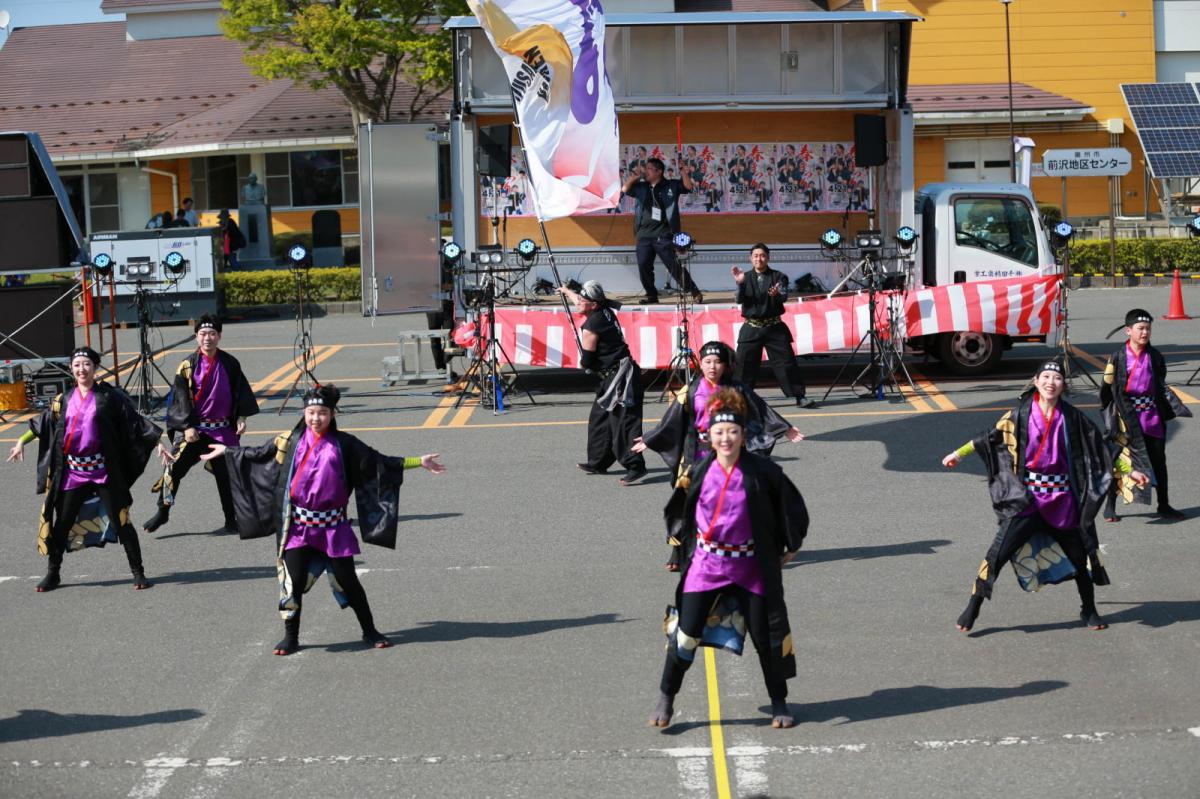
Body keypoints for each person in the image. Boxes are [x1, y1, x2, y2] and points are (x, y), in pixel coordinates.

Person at [200, 385, 445, 655]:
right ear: (304, 413)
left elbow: (380, 462)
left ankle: (370, 630)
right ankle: (291, 637)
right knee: (291, 583)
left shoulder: (346, 444)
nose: (316, 418)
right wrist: (227, 452)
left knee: (349, 581)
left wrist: (416, 462)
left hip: (333, 528)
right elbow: (258, 454)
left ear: (332, 414)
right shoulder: (289, 441)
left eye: (322, 413)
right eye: (311, 412)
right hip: (298, 528)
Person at [942, 360, 1147, 632]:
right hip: (1027, 502)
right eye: (1046, 377)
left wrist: (1129, 471)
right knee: (996, 555)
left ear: (1063, 385)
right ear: (1036, 381)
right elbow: (987, 438)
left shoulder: (1073, 418)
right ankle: (974, 605)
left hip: (1063, 502)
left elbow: (1100, 449)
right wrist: (957, 454)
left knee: (1081, 557)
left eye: (1057, 378)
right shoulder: (1019, 414)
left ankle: (1089, 609)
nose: (1051, 382)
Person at [650, 388, 808, 730]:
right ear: (709, 435)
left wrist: (791, 544)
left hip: (750, 566)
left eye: (733, 431)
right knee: (685, 634)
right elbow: (679, 512)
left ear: (744, 435)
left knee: (765, 637)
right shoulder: (698, 471)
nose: (726, 438)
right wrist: (681, 548)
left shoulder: (763, 472)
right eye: (719, 432)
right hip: (706, 566)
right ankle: (666, 696)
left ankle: (779, 700)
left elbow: (791, 507)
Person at [633, 340, 804, 571]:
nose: (712, 366)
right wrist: (650, 439)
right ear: (700, 364)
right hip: (699, 455)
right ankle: (679, 551)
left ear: (725, 365)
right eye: (707, 362)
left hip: (730, 455)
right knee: (688, 504)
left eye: (717, 362)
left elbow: (760, 409)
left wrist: (784, 428)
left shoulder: (737, 389)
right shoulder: (691, 391)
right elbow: (671, 422)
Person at [6, 347, 163, 592]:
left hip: (103, 471)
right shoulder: (63, 400)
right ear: (71, 368)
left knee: (121, 520)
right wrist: (20, 441)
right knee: (61, 524)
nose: (82, 369)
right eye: (77, 364)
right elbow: (42, 423)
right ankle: (53, 573)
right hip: (73, 473)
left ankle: (138, 572)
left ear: (95, 367)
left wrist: (159, 443)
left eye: (87, 364)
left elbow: (136, 423)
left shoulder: (109, 397)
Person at [143, 315, 260, 535]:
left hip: (223, 430)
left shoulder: (230, 363)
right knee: (173, 469)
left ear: (219, 336)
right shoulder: (187, 365)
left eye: (213, 333)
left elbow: (241, 391)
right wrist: (187, 426)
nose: (208, 338)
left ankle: (231, 519)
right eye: (203, 334)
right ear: (196, 336)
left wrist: (242, 417)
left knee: (227, 476)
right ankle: (163, 511)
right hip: (196, 430)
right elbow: (180, 400)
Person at [1100, 308, 1190, 522]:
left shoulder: (1155, 356)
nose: (1145, 332)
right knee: (1120, 461)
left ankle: (1164, 504)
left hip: (1152, 415)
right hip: (1126, 417)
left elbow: (1160, 383)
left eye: (1148, 328)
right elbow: (1106, 389)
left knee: (1159, 461)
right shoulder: (1118, 357)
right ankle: (1110, 506)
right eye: (1140, 328)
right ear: (1128, 331)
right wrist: (1111, 415)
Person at [557, 280, 647, 486]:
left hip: (622, 378)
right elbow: (581, 301)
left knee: (624, 423)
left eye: (582, 299)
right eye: (578, 297)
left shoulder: (591, 326)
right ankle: (599, 461)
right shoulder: (603, 308)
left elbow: (587, 360)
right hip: (611, 377)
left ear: (593, 304)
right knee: (600, 419)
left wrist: (585, 364)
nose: (578, 301)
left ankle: (635, 466)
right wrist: (567, 291)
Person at [732, 243, 815, 408]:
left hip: (774, 327)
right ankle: (739, 399)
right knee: (744, 365)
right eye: (755, 256)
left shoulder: (779, 276)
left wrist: (777, 294)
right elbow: (739, 300)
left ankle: (799, 396)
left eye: (762, 255)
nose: (759, 259)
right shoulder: (745, 277)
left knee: (786, 363)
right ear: (751, 258)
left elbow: (783, 297)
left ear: (768, 258)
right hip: (752, 327)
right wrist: (740, 284)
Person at [622, 156, 702, 305]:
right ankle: (651, 295)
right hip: (643, 234)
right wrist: (635, 177)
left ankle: (694, 291)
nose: (646, 171)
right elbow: (625, 189)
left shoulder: (670, 185)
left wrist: (683, 171)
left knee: (673, 265)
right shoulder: (641, 186)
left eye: (649, 169)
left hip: (663, 233)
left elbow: (688, 186)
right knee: (643, 265)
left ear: (659, 171)